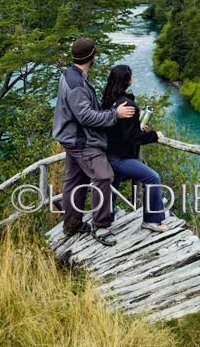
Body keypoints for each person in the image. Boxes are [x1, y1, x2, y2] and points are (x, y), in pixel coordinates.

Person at [52, 37, 136, 246]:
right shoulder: (78, 84)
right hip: (82, 141)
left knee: (75, 181)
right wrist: (114, 114)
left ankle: (72, 224)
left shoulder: (70, 74)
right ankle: (101, 226)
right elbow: (86, 116)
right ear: (92, 56)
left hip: (70, 138)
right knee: (104, 176)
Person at [102, 64, 168, 233]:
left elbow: (120, 129)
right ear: (126, 80)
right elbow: (132, 137)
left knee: (114, 184)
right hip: (120, 157)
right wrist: (155, 135)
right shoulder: (127, 104)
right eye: (131, 75)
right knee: (152, 178)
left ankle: (106, 217)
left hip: (108, 153)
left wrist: (136, 126)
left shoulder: (110, 100)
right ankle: (151, 221)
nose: (133, 78)